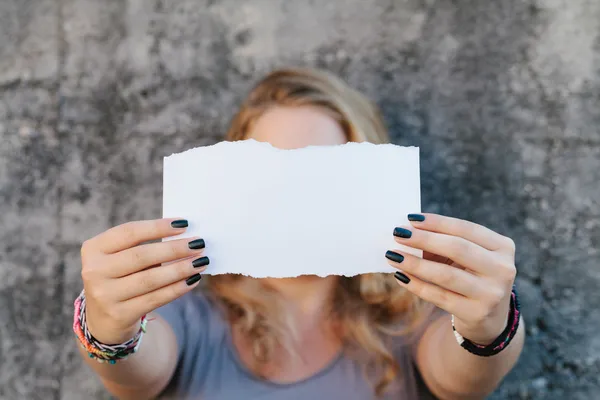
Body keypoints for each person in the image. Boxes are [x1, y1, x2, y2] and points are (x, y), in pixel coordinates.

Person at [75, 68, 525, 399]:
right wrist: (109, 328)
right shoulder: (187, 309)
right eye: (270, 171)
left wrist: (488, 323)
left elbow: (464, 378)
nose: (295, 196)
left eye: (323, 171)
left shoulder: (413, 314)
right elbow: (133, 375)